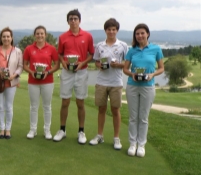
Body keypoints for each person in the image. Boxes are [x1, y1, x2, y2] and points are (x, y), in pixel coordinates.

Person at [53, 9, 95, 144]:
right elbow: (59, 54)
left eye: (75, 18)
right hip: (67, 72)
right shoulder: (63, 37)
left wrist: (82, 62)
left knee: (80, 102)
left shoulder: (87, 36)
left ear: (79, 20)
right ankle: (62, 130)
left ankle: (81, 131)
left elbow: (91, 54)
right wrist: (63, 62)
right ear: (68, 21)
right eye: (70, 19)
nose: (73, 21)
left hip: (81, 71)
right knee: (65, 102)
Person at [123, 23, 164, 157]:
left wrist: (152, 75)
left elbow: (161, 68)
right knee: (133, 117)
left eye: (142, 33)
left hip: (148, 86)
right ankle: (132, 143)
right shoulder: (131, 50)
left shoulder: (156, 49)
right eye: (137, 33)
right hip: (132, 86)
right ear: (135, 36)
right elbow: (125, 69)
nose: (140, 35)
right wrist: (132, 74)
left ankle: (141, 145)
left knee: (144, 117)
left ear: (148, 34)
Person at [89, 18, 128, 150]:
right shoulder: (100, 46)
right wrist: (100, 65)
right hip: (101, 82)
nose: (111, 32)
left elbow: (128, 64)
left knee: (115, 110)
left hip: (116, 82)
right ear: (105, 30)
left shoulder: (123, 46)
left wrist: (119, 65)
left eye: (113, 29)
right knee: (101, 109)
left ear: (117, 30)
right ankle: (100, 135)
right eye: (109, 29)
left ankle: (116, 138)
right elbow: (96, 61)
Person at [23, 26, 60, 140]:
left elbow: (57, 65)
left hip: (47, 81)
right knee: (34, 106)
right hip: (33, 81)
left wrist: (48, 72)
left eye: (42, 33)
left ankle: (47, 130)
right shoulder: (29, 49)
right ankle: (33, 129)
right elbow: (25, 65)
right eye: (37, 34)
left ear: (45, 35)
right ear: (35, 35)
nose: (40, 36)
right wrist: (32, 72)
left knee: (47, 106)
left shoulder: (52, 49)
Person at [0, 27, 23, 139]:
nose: (6, 38)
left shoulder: (17, 51)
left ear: (11, 38)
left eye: (8, 36)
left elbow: (20, 66)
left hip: (11, 82)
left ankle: (8, 129)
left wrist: (14, 75)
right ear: (1, 38)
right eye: (4, 36)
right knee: (0, 106)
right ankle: (1, 129)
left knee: (9, 106)